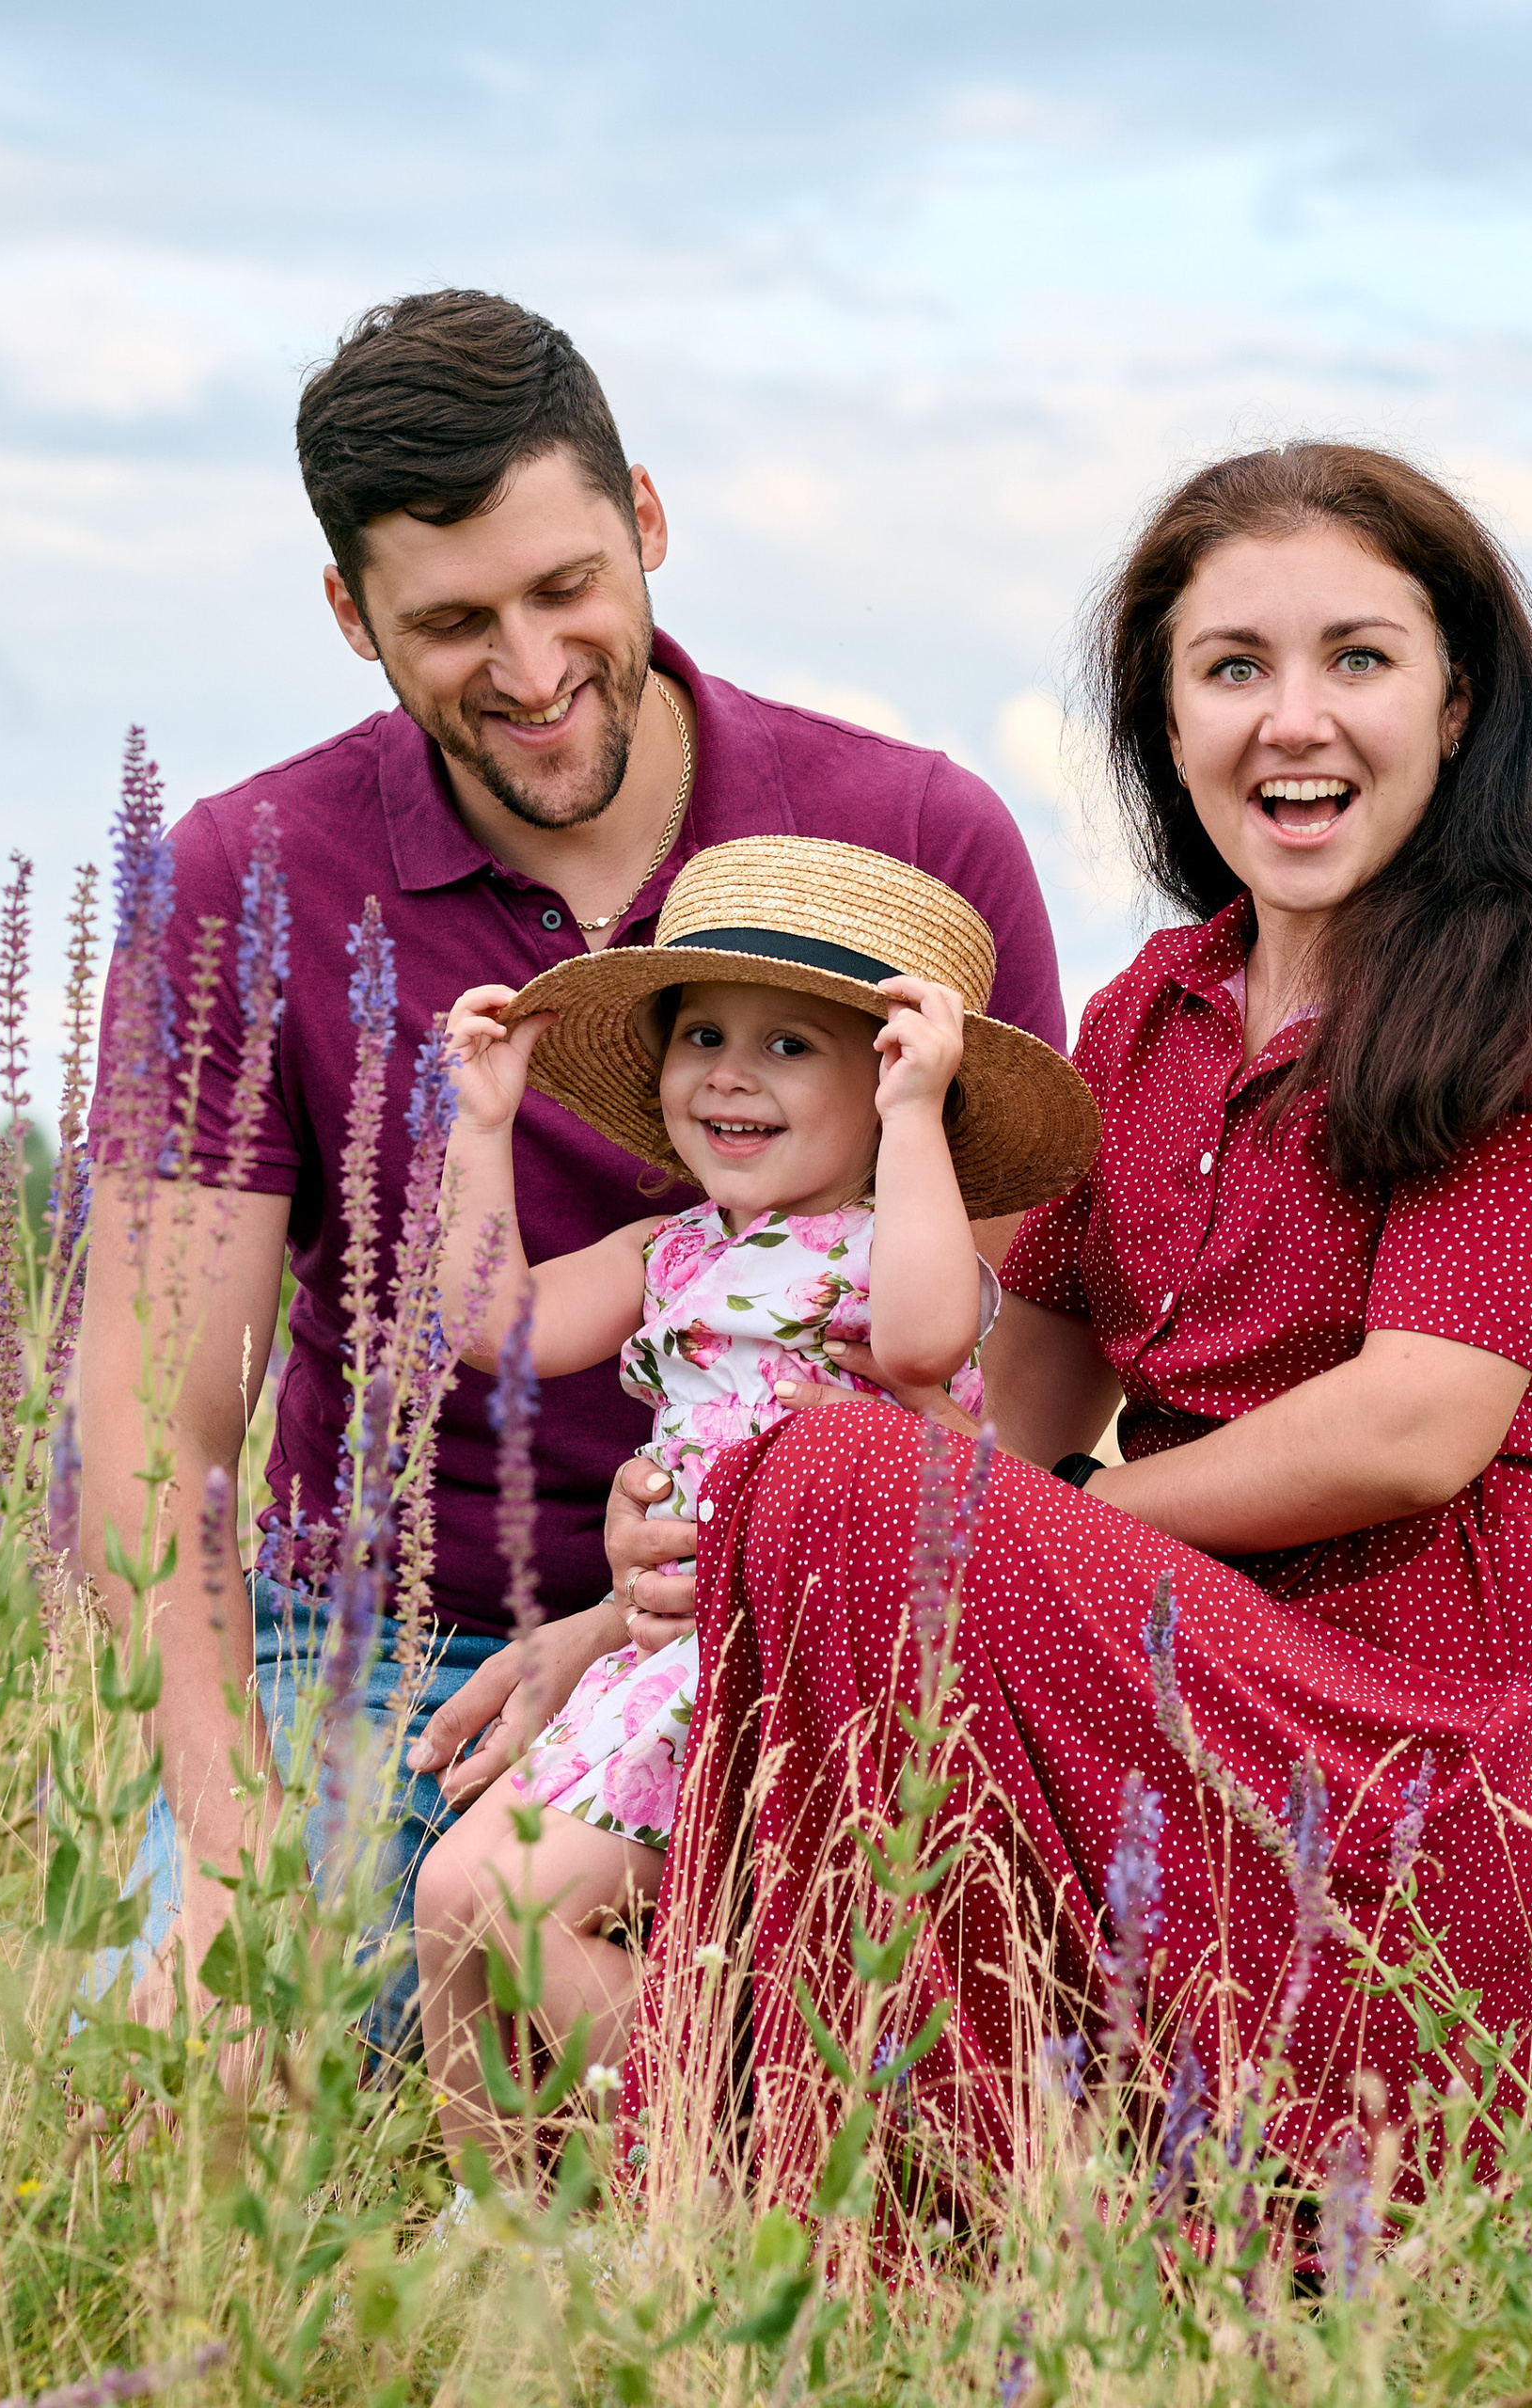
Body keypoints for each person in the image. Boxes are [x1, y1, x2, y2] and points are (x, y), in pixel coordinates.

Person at [543, 439, 1532, 2193]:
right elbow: (994, 1406)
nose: (1291, 720)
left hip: (1402, 1751)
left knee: (865, 1493)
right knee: (833, 1478)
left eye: (1358, 659)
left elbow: (1413, 1427)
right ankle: (872, 2154)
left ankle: (848, 2156)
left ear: (1459, 703)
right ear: (1169, 725)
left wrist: (1025, 1519)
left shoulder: (1525, 1017)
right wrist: (702, 1546)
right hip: (1146, 1684)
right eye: (1232, 668)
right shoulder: (1154, 1009)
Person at [81, 290, 1066, 2044]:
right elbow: (156, 1440)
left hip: (819, 1645)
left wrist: (635, 1619)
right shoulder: (239, 878)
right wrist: (230, 1855)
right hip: (386, 1641)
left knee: (880, 2078)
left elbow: (1013, 1370)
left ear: (650, 526)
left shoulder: (912, 844)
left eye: (567, 590)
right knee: (200, 2069)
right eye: (453, 622)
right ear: (349, 615)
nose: (531, 674)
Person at [407, 836, 1094, 2173]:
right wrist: (479, 1130)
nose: (727, 1069)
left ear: (895, 1081)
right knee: (449, 1898)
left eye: (791, 1047)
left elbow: (918, 1343)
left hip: (799, 1668)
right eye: (704, 1033)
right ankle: (500, 2226)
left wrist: (912, 1123)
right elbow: (493, 1322)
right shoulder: (667, 1252)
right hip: (666, 1656)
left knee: (524, 1909)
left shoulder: (888, 1255)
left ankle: (703, 2178)